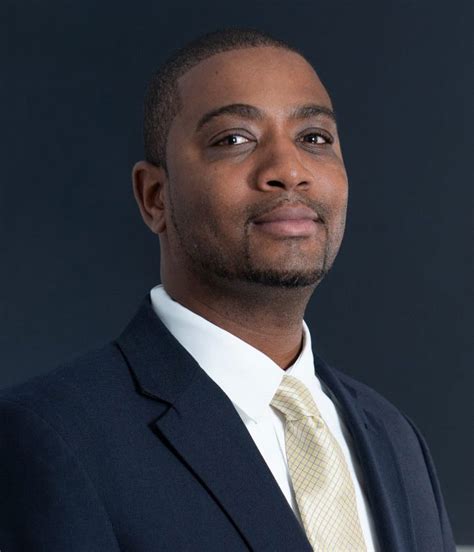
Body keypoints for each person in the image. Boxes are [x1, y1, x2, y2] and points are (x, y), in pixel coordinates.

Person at [0, 29, 455, 552]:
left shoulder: (395, 438)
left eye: (314, 138)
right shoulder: (47, 437)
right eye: (234, 139)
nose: (289, 170)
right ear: (155, 197)